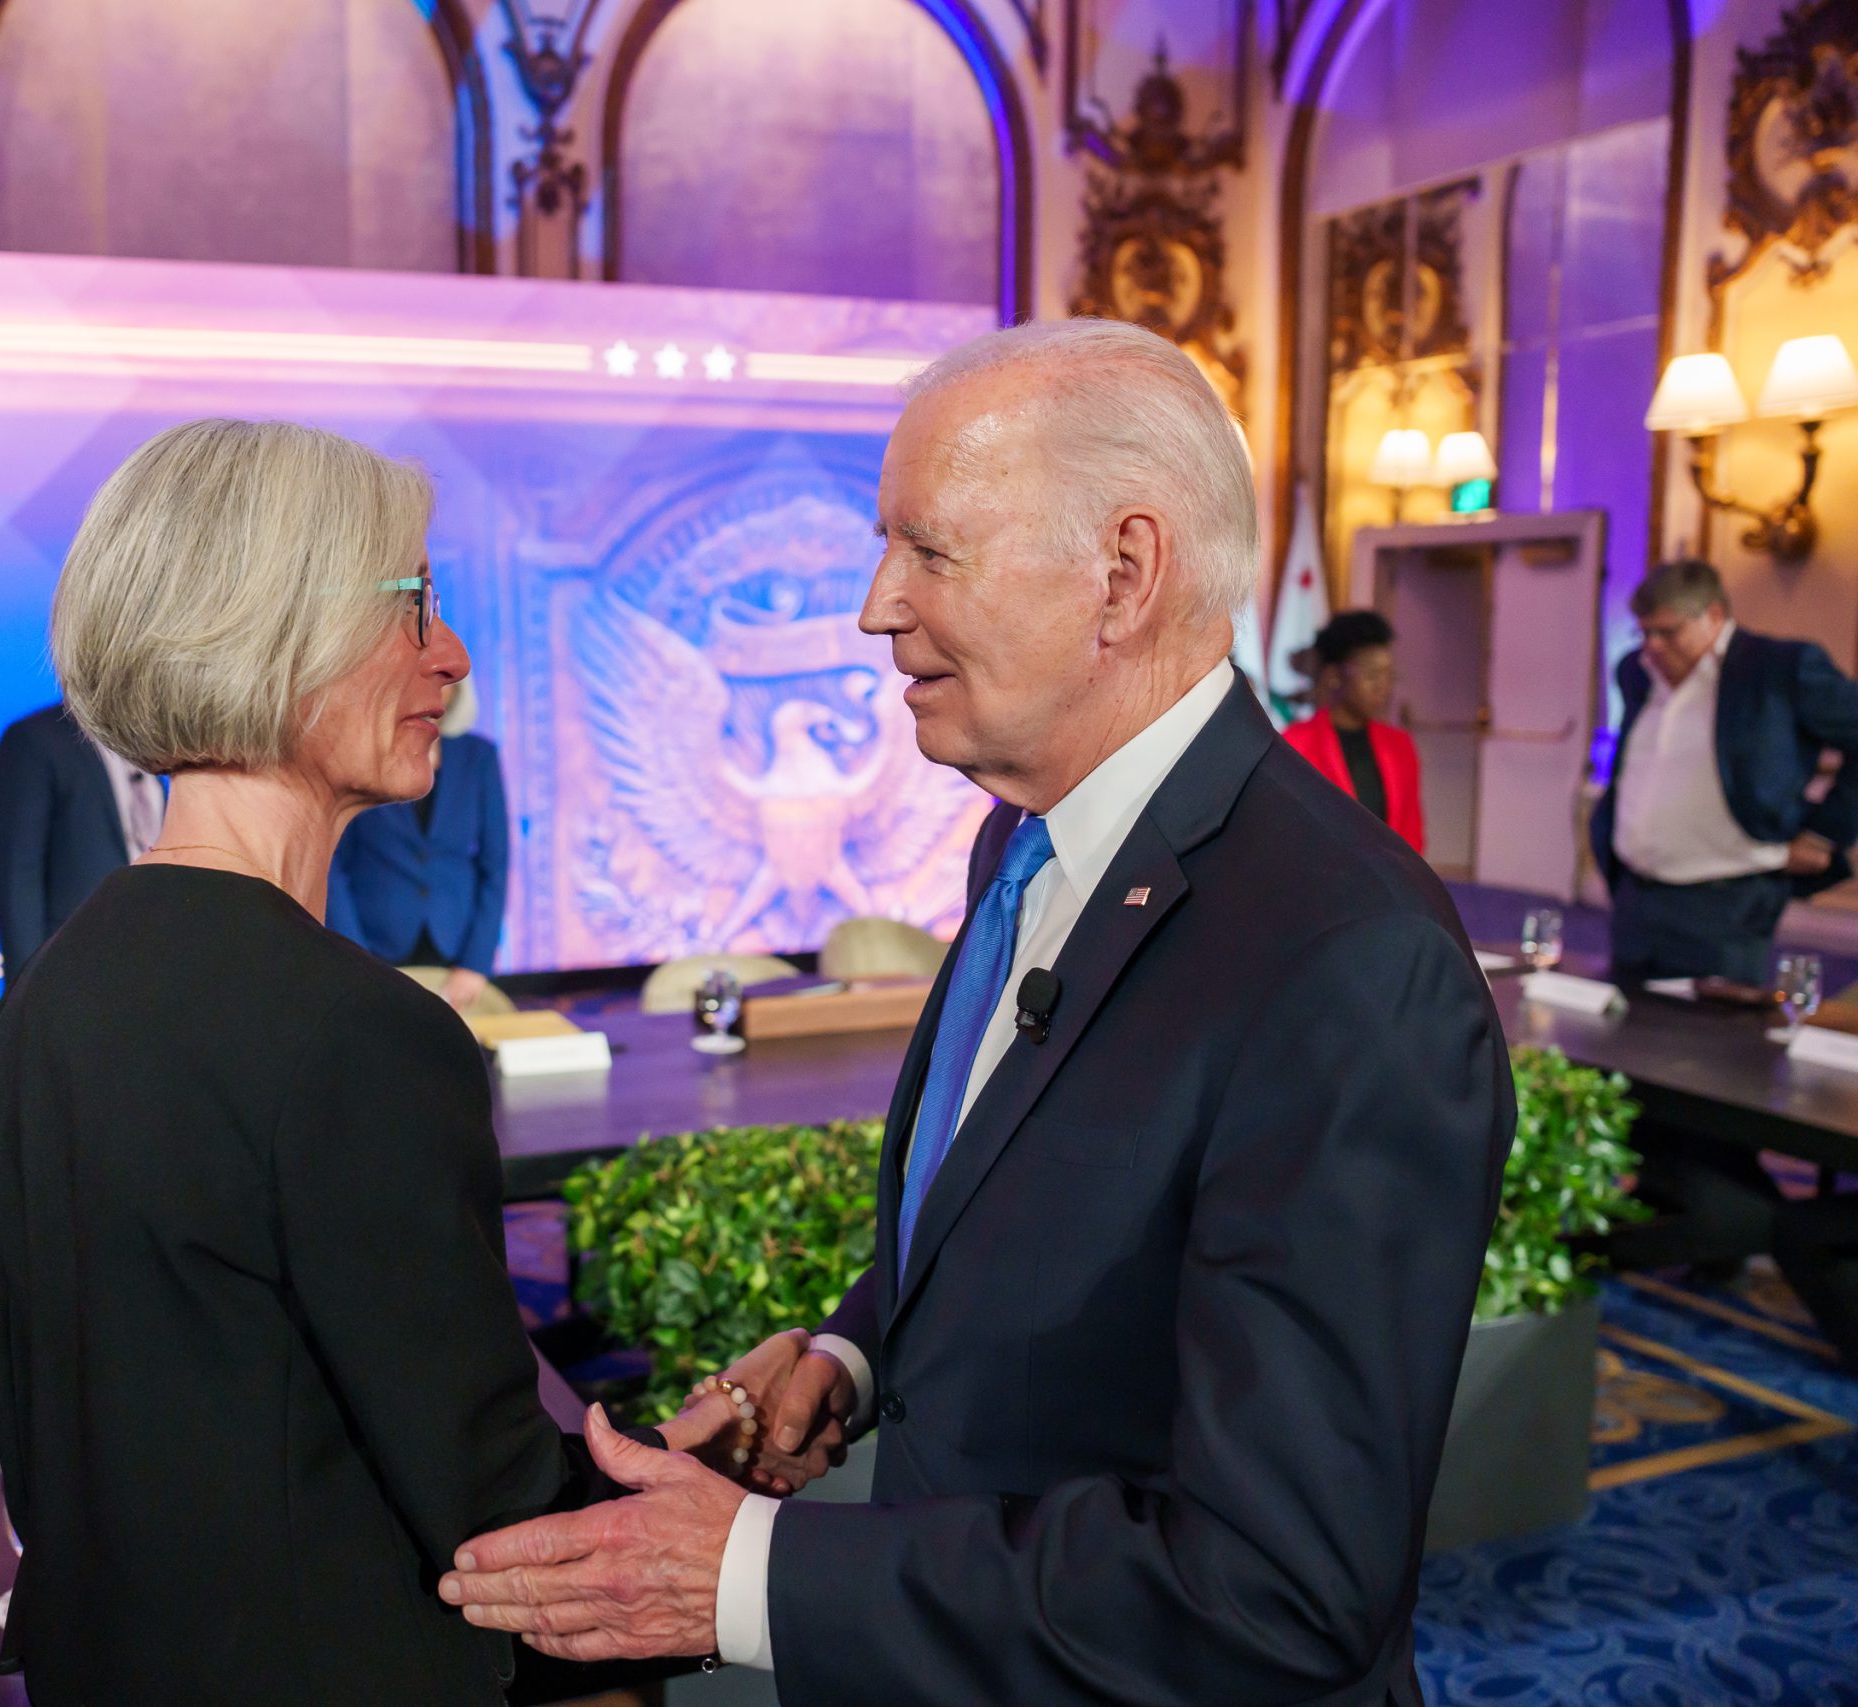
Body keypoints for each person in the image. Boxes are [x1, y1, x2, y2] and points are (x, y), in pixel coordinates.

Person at [438, 319, 1514, 1706]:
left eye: (928, 550)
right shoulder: (1021, 843)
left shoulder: (1349, 960)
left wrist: (745, 1574)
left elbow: (1280, 1586)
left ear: (1123, 573)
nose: (877, 605)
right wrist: (855, 1344)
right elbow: (1027, 1191)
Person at [0, 418, 743, 1706]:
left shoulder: (62, 983)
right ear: (275, 634)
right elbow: (492, 1510)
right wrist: (691, 1464)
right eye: (414, 607)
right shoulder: (353, 1033)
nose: (448, 655)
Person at [1591, 557, 1858, 985]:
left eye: (1668, 631)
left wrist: (1826, 830)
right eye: (1644, 633)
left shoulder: (1779, 669)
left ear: (1713, 616)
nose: (1652, 647)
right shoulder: (1636, 672)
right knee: (1625, 1029)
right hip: (1635, 896)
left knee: (1714, 1043)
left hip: (1726, 901)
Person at [327, 672, 511, 1009]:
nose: (436, 690)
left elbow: (495, 867)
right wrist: (352, 954)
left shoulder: (478, 757)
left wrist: (476, 961)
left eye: (447, 679)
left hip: (455, 946)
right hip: (375, 945)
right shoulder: (362, 754)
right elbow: (334, 864)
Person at [0, 701, 163, 983]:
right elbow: (18, 876)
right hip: (76, 968)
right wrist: (25, 993)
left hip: (154, 959)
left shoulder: (159, 740)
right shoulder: (35, 740)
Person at [1282, 608, 1425, 853]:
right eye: (1372, 675)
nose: (1384, 686)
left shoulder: (1400, 745)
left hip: (1388, 886)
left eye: (1389, 675)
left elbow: (1412, 835)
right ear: (1334, 676)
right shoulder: (1295, 746)